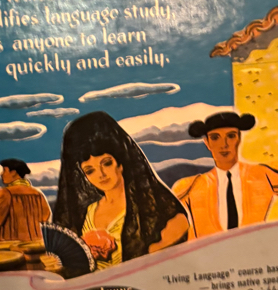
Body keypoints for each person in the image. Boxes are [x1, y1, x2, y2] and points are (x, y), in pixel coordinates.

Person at [53, 111, 188, 269]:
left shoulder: (164, 215)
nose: (101, 174)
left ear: (121, 162)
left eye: (106, 163)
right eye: (90, 171)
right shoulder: (87, 213)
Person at [172, 112, 278, 238]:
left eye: (231, 136)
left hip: (253, 253)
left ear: (239, 139)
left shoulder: (262, 174)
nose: (224, 144)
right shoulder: (191, 186)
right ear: (207, 143)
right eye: (215, 137)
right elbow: (169, 223)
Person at [0, 158, 51, 242]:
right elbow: (45, 216)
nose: (1, 174)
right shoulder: (37, 194)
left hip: (13, 243)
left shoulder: (5, 193)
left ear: (13, 172)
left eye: (4, 171)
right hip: (37, 241)